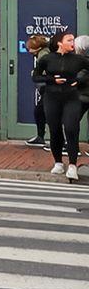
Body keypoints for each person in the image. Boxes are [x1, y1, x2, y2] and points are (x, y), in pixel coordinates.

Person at [47, 32, 86, 182]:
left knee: (71, 128)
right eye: (68, 40)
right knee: (59, 129)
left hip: (77, 97)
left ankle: (72, 164)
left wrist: (78, 81)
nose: (72, 42)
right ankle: (60, 162)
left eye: (73, 40)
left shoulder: (79, 60)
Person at [26, 33, 53, 148]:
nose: (29, 50)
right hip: (46, 89)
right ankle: (41, 137)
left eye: (30, 48)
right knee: (40, 112)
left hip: (49, 89)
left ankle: (55, 141)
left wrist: (34, 73)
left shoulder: (43, 55)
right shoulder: (42, 53)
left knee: (45, 113)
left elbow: (47, 71)